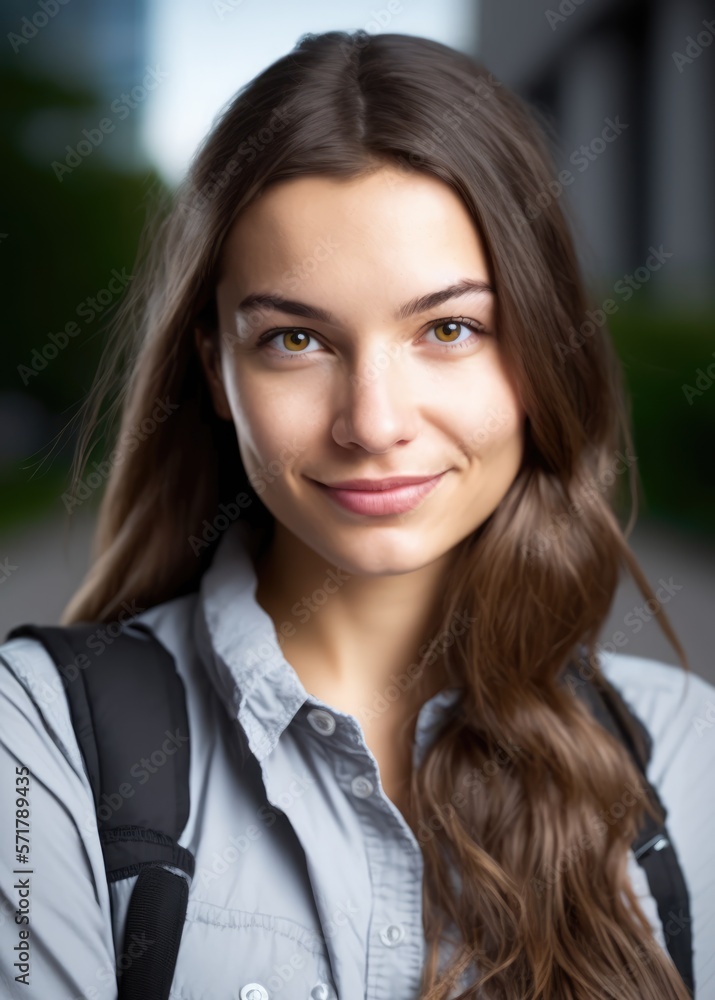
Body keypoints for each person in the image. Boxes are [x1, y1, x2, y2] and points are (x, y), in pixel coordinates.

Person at [0, 28, 713, 1000]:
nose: (373, 423)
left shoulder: (685, 754)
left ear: (544, 350)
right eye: (295, 338)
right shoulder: (39, 738)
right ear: (213, 367)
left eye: (449, 329)